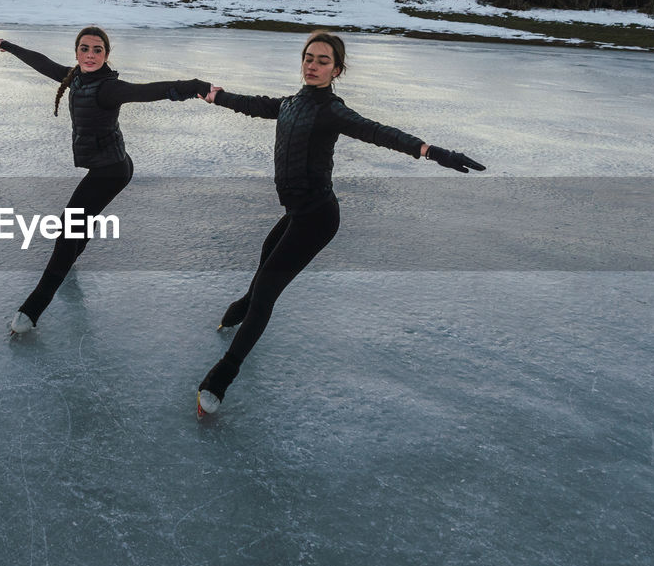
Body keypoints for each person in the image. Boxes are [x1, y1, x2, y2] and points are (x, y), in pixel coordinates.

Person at [196, 30, 485, 417]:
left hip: (317, 219)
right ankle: (236, 312)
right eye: (309, 58)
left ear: (337, 69)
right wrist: (215, 95)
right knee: (262, 273)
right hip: (297, 214)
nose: (313, 66)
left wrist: (432, 152)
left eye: (323, 61)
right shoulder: (290, 104)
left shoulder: (332, 110)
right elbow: (252, 104)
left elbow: (378, 132)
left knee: (266, 294)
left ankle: (221, 377)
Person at [0, 27, 210, 333]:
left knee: (68, 227)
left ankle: (33, 307)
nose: (90, 55)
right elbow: (42, 63)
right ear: (77, 52)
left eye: (97, 50)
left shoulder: (109, 88)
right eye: (84, 49)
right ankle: (70, 262)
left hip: (112, 172)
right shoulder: (75, 77)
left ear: (106, 54)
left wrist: (196, 87)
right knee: (81, 219)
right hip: (109, 165)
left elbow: (150, 91)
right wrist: (10, 46)